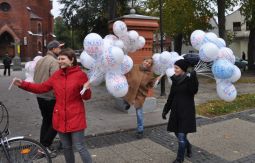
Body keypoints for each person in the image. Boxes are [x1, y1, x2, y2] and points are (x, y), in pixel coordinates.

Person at [13, 48, 92, 163]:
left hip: (75, 117)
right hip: (59, 117)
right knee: (66, 147)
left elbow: (86, 97)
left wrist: (86, 89)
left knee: (80, 146)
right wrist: (23, 84)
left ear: (72, 60)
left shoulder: (80, 75)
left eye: (63, 59)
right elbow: (42, 87)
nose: (60, 61)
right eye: (59, 59)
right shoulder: (57, 75)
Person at [162, 59, 199, 163]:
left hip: (186, 112)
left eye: (176, 68)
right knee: (177, 133)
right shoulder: (175, 80)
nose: (175, 70)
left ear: (182, 69)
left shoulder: (190, 79)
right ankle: (189, 146)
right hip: (176, 111)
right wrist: (165, 110)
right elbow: (171, 97)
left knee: (181, 136)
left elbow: (194, 90)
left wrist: (193, 77)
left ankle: (179, 159)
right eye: (174, 67)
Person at [33, 40, 64, 157]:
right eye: (59, 48)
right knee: (56, 122)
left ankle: (41, 146)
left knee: (46, 121)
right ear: (54, 49)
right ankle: (44, 147)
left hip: (40, 96)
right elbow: (57, 81)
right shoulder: (54, 62)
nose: (60, 50)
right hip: (50, 97)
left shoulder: (40, 60)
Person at [123, 57, 159, 139]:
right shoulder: (134, 67)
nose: (147, 63)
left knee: (139, 113)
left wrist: (156, 81)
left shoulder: (150, 73)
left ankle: (140, 130)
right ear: (143, 61)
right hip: (130, 91)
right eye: (146, 61)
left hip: (140, 95)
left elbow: (151, 84)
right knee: (125, 98)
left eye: (149, 63)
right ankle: (127, 102)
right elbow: (127, 74)